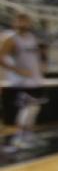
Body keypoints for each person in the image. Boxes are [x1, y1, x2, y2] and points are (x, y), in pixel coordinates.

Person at [0, 12, 46, 150]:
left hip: (35, 79)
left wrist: (42, 68)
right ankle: (18, 138)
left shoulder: (32, 38)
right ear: (15, 22)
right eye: (20, 21)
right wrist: (17, 70)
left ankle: (28, 136)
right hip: (20, 81)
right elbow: (1, 58)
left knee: (33, 109)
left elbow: (37, 57)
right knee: (25, 110)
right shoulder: (11, 39)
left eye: (25, 21)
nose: (23, 24)